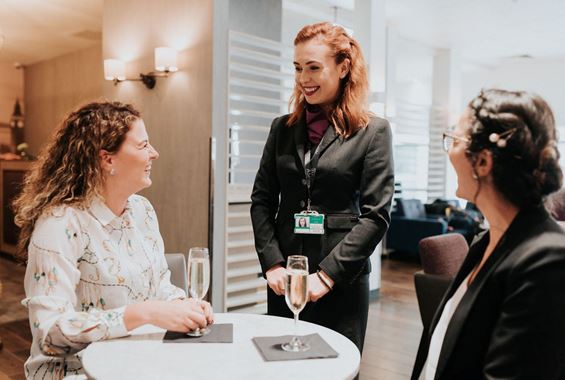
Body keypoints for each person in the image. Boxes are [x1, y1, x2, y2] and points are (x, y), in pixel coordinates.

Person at [14, 101, 214, 379]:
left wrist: (183, 305)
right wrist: (142, 313)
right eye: (143, 145)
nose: (154, 153)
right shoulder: (60, 225)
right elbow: (50, 333)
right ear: (107, 159)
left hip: (138, 360)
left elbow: (159, 286)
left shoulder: (143, 210)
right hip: (75, 371)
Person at [250, 22, 394, 353]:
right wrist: (272, 262)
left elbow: (376, 216)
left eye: (314, 67)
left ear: (344, 67)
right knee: (283, 367)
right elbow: (262, 200)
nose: (303, 79)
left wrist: (327, 275)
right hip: (287, 278)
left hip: (342, 280)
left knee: (336, 368)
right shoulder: (282, 129)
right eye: (298, 68)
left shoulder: (374, 132)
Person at [412, 89, 565, 379]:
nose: (450, 151)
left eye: (455, 139)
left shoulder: (547, 261)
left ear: (483, 162)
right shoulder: (485, 242)